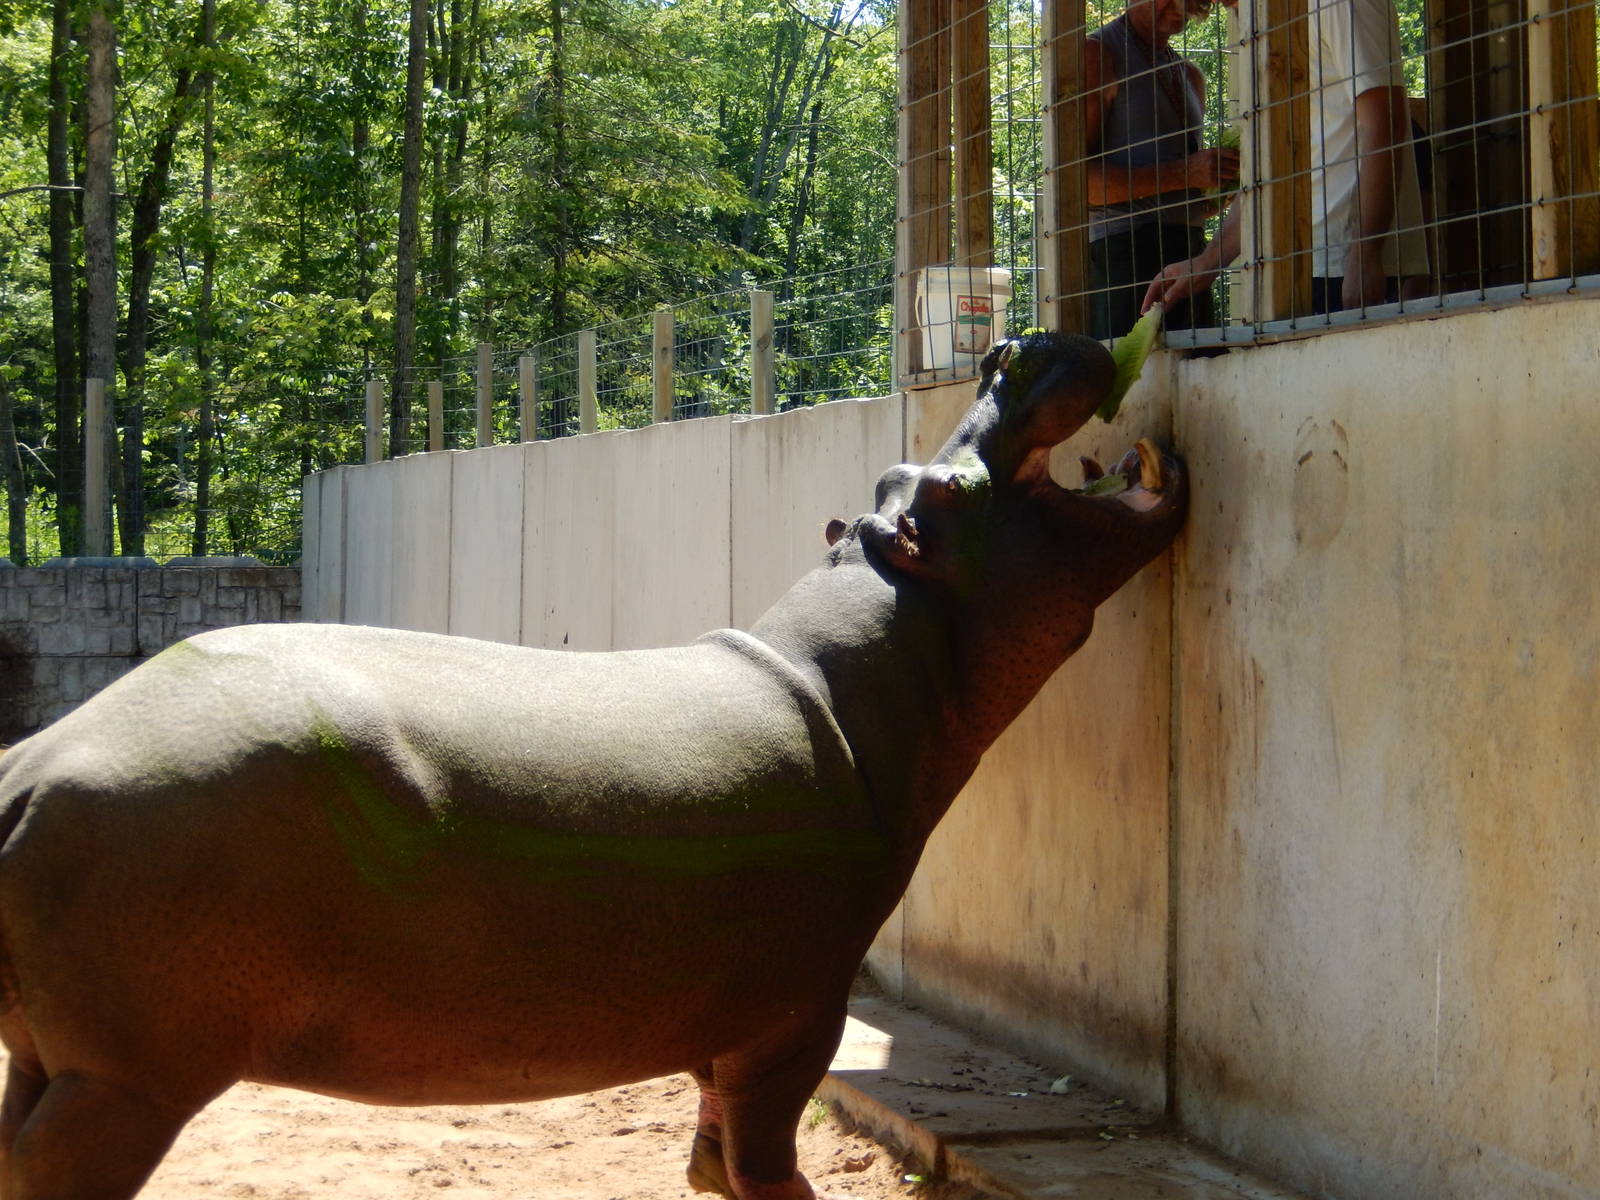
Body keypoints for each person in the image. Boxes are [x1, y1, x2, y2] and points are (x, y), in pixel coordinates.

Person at [1142, 0, 1428, 318]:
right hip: (1291, 264)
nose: (1222, 7)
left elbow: (1385, 122)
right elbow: (1266, 174)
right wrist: (1208, 262)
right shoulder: (1262, 20)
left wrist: (1364, 253)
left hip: (1346, 268)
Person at [1084, 0, 1239, 340]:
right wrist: (1186, 173)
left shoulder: (1190, 74)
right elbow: (1077, 188)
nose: (1182, 6)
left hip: (1191, 255)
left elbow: (1194, 189)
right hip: (1123, 253)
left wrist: (1219, 190)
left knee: (1201, 375)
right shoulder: (1097, 54)